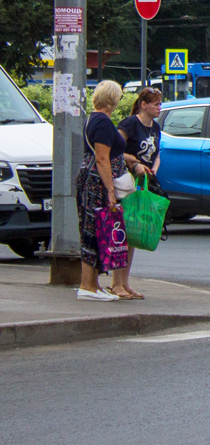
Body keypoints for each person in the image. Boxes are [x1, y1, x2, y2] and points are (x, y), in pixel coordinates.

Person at [76, 81, 127, 301]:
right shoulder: (104, 122)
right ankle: (87, 286)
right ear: (112, 98)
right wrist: (110, 190)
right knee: (94, 229)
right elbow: (102, 158)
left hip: (87, 176)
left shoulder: (91, 118)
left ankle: (93, 284)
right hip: (97, 181)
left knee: (93, 228)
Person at [111, 87, 164, 299]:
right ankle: (116, 284)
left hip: (142, 183)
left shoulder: (155, 127)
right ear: (144, 105)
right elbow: (114, 149)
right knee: (122, 233)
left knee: (132, 234)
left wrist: (154, 169)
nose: (159, 107)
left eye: (160, 103)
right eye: (155, 104)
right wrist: (135, 163)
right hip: (125, 183)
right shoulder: (130, 124)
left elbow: (157, 153)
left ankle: (125, 283)